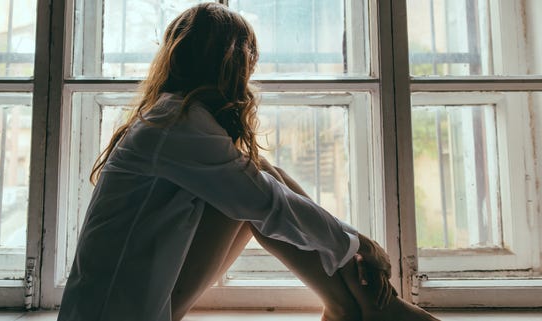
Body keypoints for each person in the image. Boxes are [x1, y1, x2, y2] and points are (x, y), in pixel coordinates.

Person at [57, 3, 440, 321]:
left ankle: (349, 306)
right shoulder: (174, 123)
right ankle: (372, 306)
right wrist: (361, 245)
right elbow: (268, 204)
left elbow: (264, 193)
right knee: (260, 190)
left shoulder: (175, 119)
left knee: (261, 178)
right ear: (234, 65)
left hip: (138, 309)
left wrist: (350, 243)